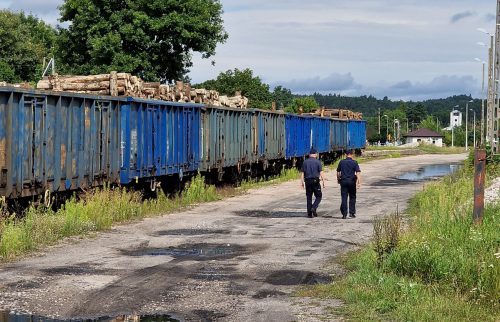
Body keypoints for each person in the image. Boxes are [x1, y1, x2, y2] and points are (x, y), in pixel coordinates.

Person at [300, 147, 326, 218]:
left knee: (309, 197)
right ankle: (314, 207)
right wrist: (323, 181)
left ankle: (309, 214)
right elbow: (321, 172)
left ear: (309, 154)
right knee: (318, 196)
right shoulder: (318, 162)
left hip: (307, 181)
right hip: (315, 181)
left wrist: (302, 183)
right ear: (315, 154)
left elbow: (302, 173)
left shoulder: (305, 162)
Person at [336, 150, 361, 219]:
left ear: (345, 155)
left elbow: (338, 172)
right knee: (352, 197)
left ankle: (344, 214)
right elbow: (358, 173)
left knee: (344, 197)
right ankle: (352, 213)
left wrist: (338, 179)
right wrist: (359, 182)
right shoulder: (354, 162)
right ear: (352, 155)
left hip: (343, 182)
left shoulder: (341, 162)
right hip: (352, 182)